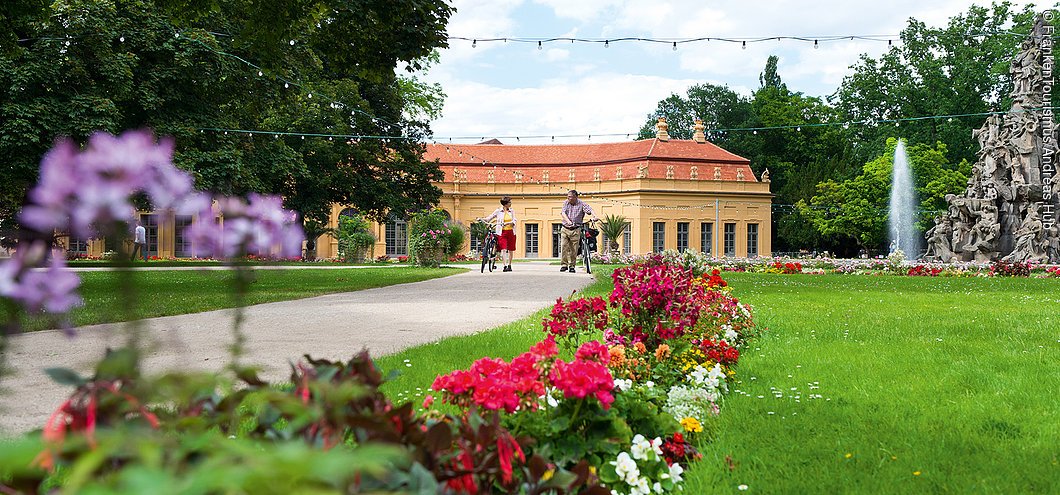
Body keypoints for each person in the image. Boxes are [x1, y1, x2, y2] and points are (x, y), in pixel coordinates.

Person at [559, 190, 597, 273]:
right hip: (565, 228)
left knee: (574, 249)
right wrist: (568, 221)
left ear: (576, 197)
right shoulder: (566, 202)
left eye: (570, 197)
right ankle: (564, 265)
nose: (569, 198)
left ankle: (572, 266)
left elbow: (590, 210)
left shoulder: (581, 204)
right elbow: (563, 213)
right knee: (564, 246)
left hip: (576, 229)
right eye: (568, 196)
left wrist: (595, 216)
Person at [480, 196, 517, 272]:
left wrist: (509, 223)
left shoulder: (512, 211)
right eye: (509, 202)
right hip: (501, 232)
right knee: (503, 249)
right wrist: (482, 219)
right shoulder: (498, 211)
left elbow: (514, 220)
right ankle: (505, 266)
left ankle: (509, 265)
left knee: (510, 249)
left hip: (511, 232)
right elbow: (489, 218)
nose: (511, 204)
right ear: (505, 204)